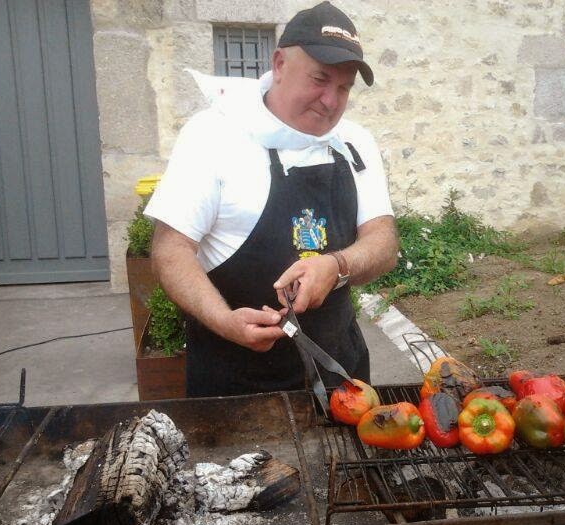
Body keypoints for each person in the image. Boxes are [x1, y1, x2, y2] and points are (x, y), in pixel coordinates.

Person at [144, 1, 398, 397]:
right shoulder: (213, 135)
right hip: (235, 384)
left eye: (344, 87)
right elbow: (170, 250)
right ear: (279, 64)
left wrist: (337, 266)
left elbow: (383, 243)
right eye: (320, 79)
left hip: (342, 378)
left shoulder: (355, 142)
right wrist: (224, 320)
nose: (331, 101)